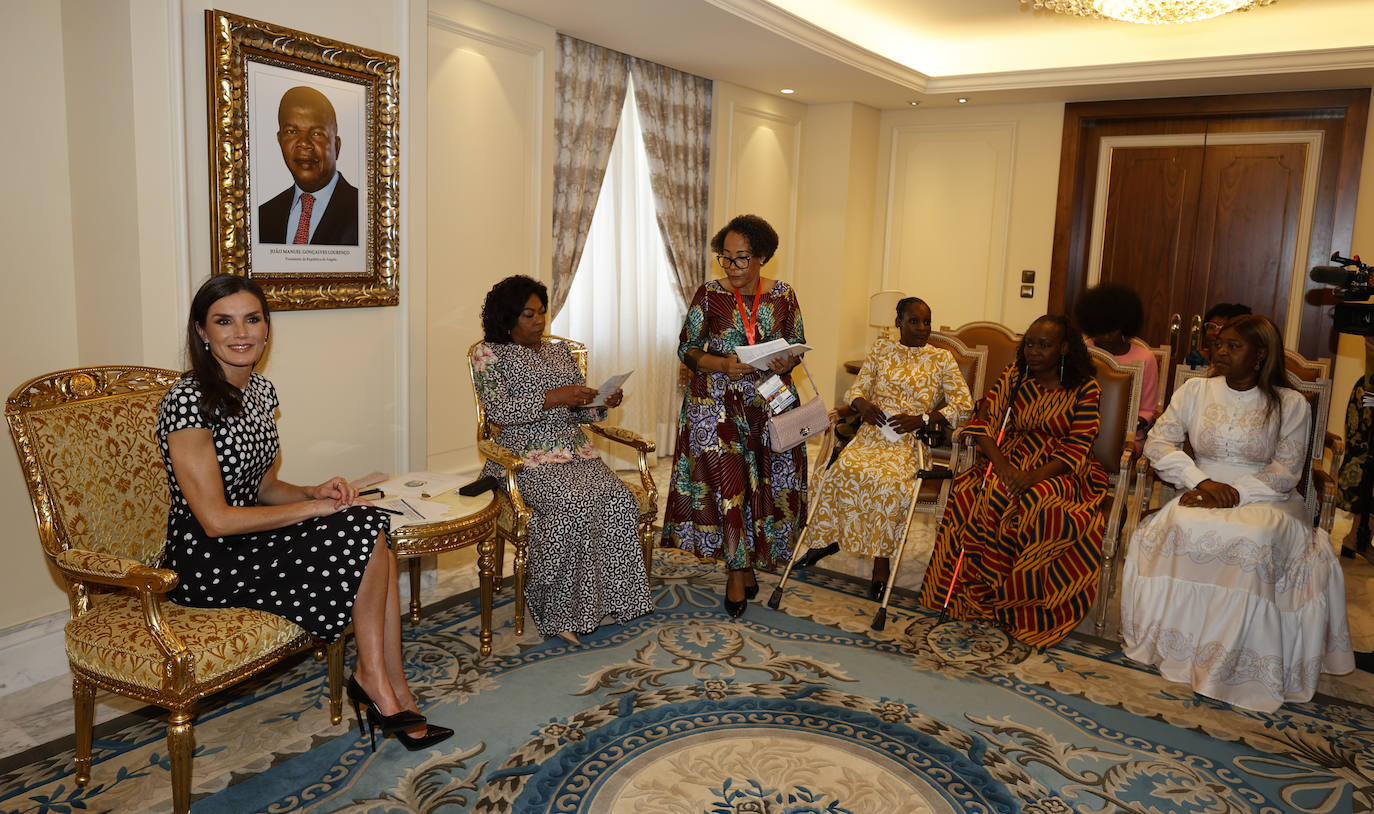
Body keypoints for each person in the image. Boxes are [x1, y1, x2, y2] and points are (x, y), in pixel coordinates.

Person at [158, 275, 449, 752]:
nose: (241, 333)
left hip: (249, 540)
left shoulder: (261, 392)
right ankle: (377, 682)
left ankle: (389, 684)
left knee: (368, 527)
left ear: (267, 328)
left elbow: (265, 486)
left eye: (252, 319)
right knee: (362, 529)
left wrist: (316, 491)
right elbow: (216, 520)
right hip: (207, 560)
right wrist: (311, 509)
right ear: (202, 332)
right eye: (223, 321)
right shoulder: (188, 402)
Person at [1120, 314, 1354, 712]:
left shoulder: (1290, 403)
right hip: (1200, 488)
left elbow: (1287, 471)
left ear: (1260, 355)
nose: (1220, 352)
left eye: (1233, 346)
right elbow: (1159, 443)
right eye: (1219, 344)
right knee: (1179, 524)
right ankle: (1182, 650)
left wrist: (1230, 494)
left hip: (1268, 498)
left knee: (1253, 538)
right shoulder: (1195, 390)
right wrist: (1200, 482)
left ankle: (1236, 665)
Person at [471, 275, 653, 646]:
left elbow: (579, 413)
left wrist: (599, 403)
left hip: (575, 451)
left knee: (616, 500)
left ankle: (608, 601)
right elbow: (500, 411)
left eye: (541, 313)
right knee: (571, 505)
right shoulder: (487, 354)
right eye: (528, 315)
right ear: (507, 319)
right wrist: (554, 397)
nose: (539, 321)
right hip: (523, 457)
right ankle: (558, 610)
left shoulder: (558, 351)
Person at [918, 314, 1109, 647]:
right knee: (972, 491)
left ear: (1064, 348)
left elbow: (1079, 444)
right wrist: (1005, 468)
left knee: (1038, 504)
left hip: (1059, 468)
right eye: (1030, 344)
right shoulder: (1015, 375)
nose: (1033, 352)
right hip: (1009, 457)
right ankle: (972, 599)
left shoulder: (1086, 388)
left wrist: (1032, 478)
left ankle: (1020, 610)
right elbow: (984, 422)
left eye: (1044, 345)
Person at [661, 214, 807, 618]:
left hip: (767, 406)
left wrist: (783, 360)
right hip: (716, 408)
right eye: (725, 258)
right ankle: (735, 570)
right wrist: (721, 365)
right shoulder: (708, 295)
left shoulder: (784, 295)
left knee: (764, 488)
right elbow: (686, 348)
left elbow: (796, 341)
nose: (732, 268)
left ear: (762, 257)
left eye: (741, 259)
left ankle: (753, 557)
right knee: (730, 488)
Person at [792, 297, 974, 598]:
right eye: (914, 321)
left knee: (888, 484)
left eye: (926, 321)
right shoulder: (881, 349)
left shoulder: (941, 359)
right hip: (872, 435)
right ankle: (825, 540)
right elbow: (858, 388)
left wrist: (923, 418)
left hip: (909, 441)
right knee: (839, 471)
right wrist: (862, 405)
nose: (922, 328)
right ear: (898, 323)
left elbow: (964, 406)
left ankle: (881, 562)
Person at [258, 86, 359, 245]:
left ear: (336, 146)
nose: (304, 143)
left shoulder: (365, 212)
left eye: (317, 133)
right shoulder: (263, 215)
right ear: (280, 140)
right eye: (292, 131)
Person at [1074, 282, 1158, 441]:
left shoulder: (1145, 358)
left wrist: (1126, 427)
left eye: (1112, 329)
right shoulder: (1081, 352)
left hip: (1126, 437)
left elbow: (1148, 410)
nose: (1106, 336)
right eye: (1100, 330)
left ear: (1124, 325)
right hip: (1082, 432)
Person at [1183, 303, 1252, 368]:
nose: (1216, 332)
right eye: (1212, 327)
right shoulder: (1195, 359)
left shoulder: (1242, 364)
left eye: (1223, 328)